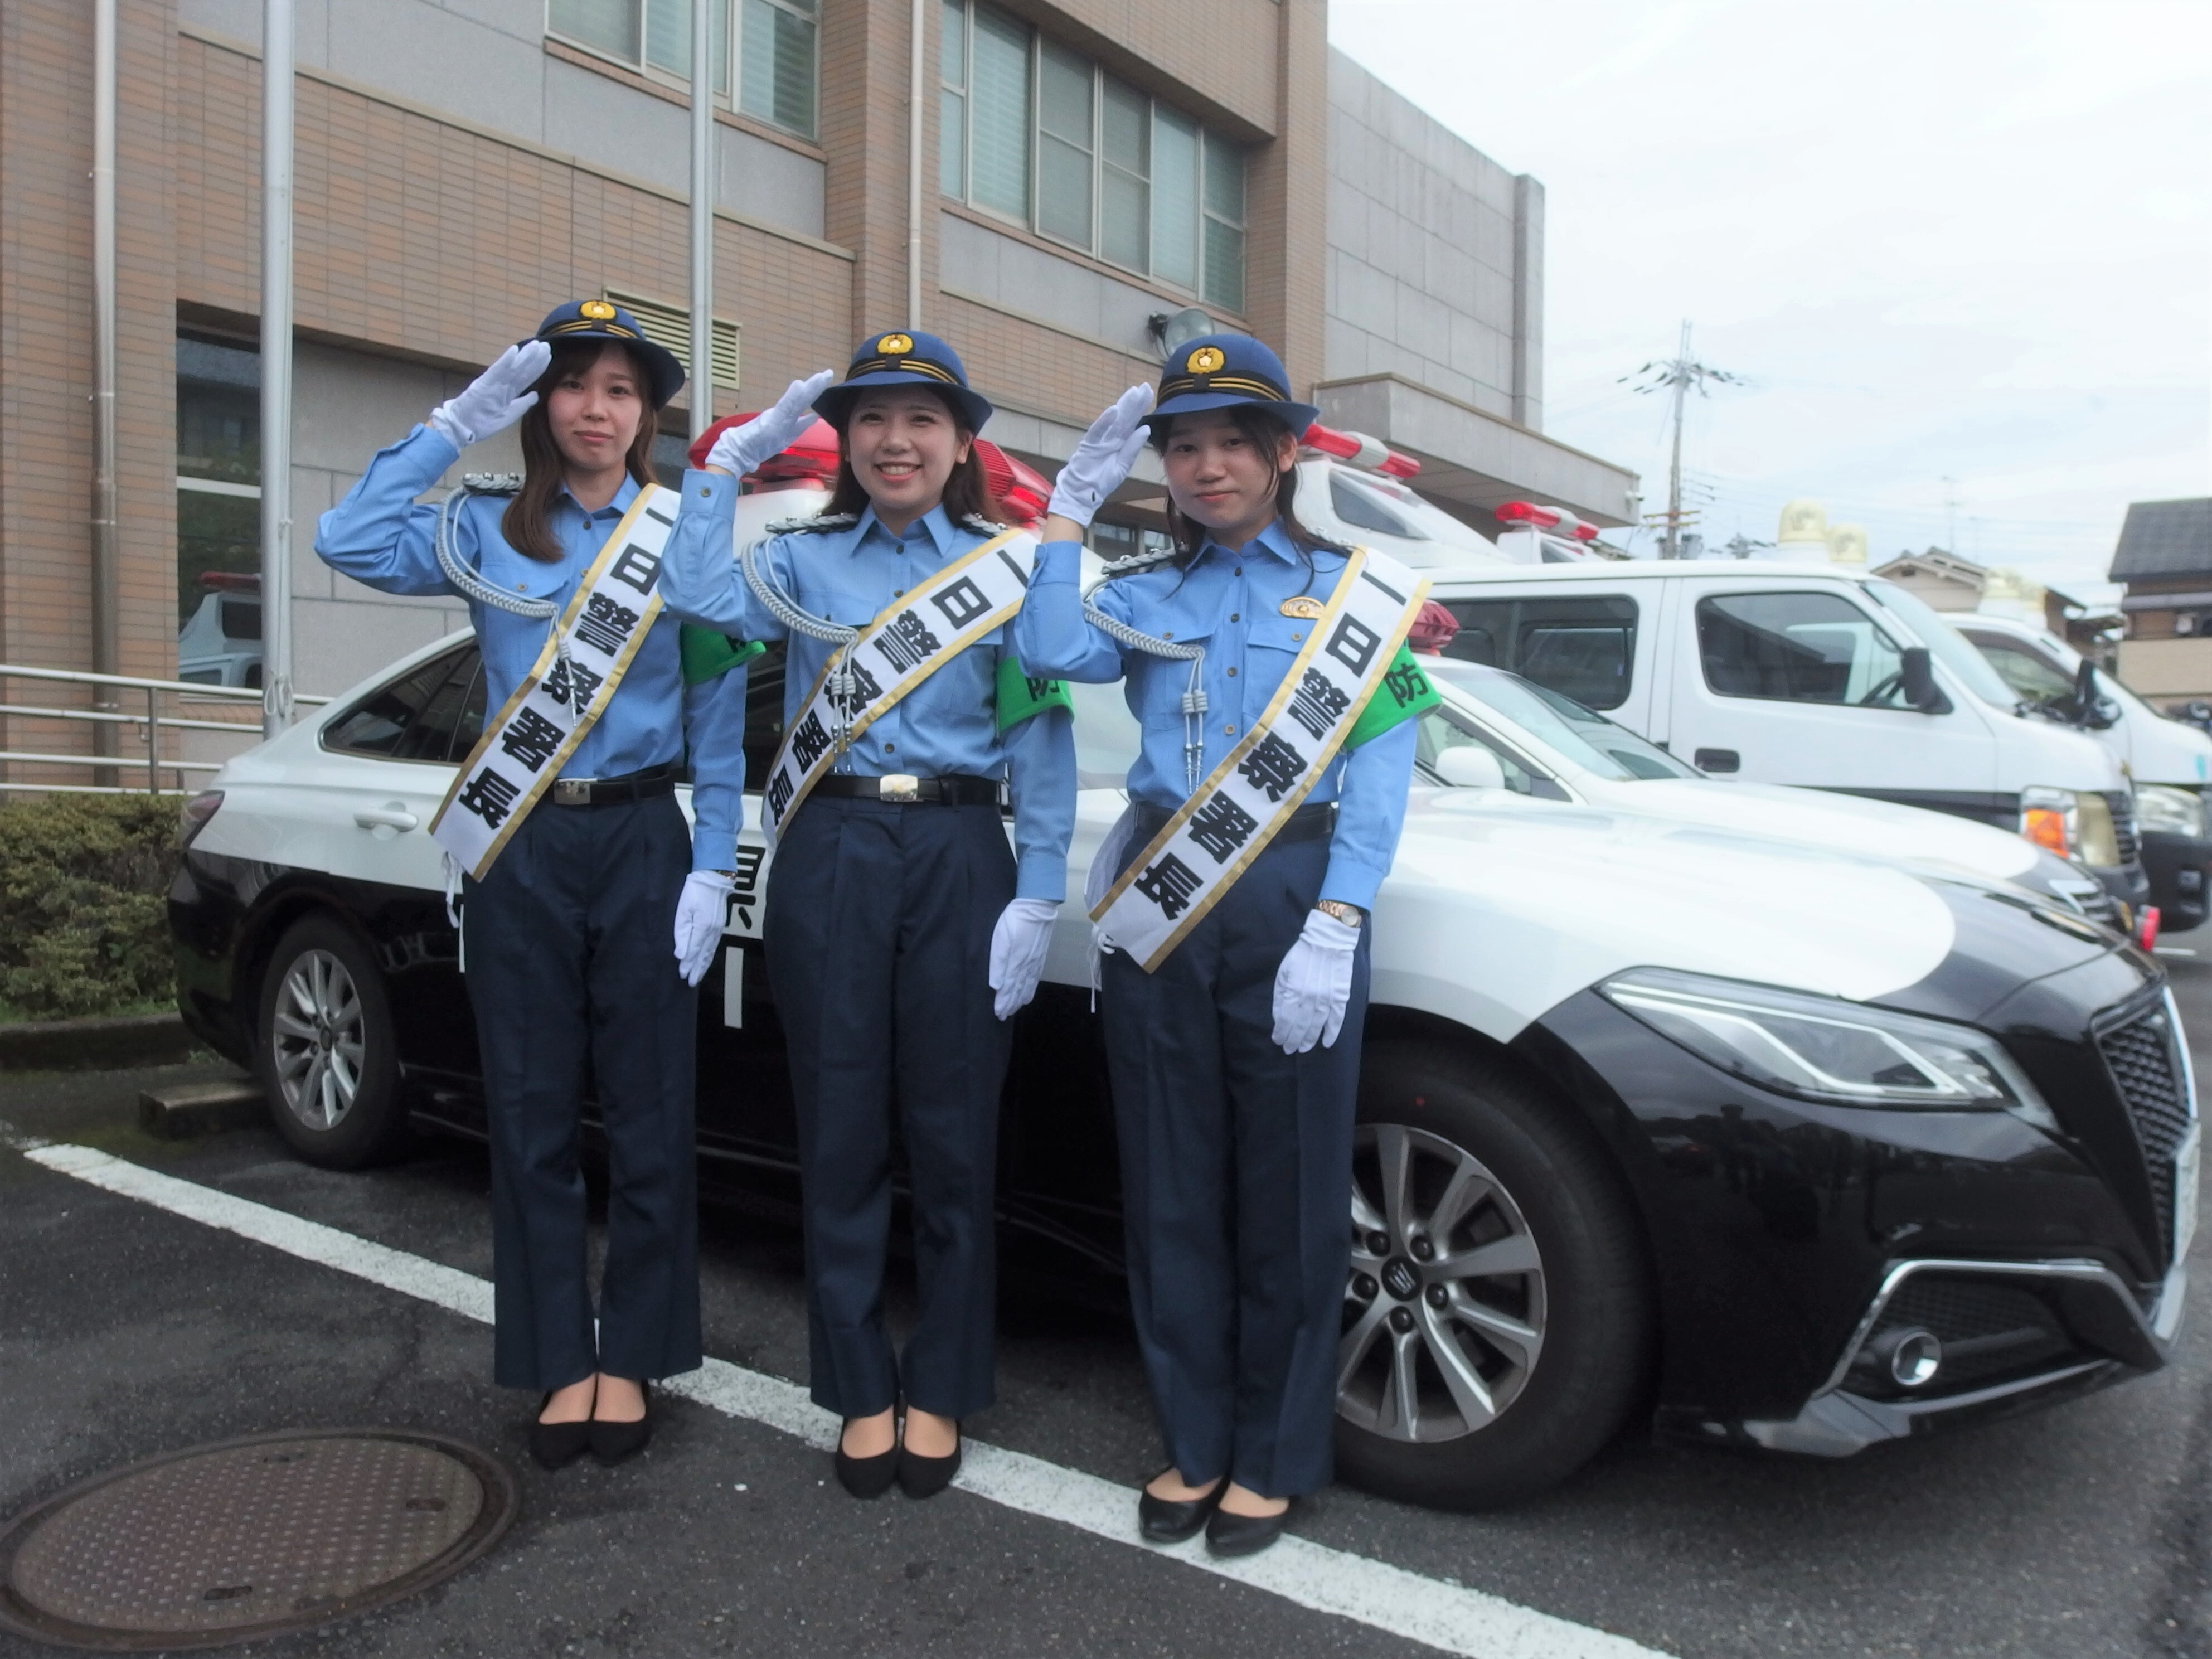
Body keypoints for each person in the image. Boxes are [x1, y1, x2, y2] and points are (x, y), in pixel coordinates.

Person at [1015, 334, 1435, 1557]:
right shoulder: (1142, 592)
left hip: (1297, 885)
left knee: (1294, 1188)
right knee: (1172, 1179)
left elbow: (1384, 758)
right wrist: (1061, 524)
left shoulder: (1360, 594)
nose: (1206, 468)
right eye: (1184, 447)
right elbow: (1048, 656)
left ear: (1283, 454)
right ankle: (1194, 1440)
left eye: (1231, 445)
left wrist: (1341, 914)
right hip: (1163, 886)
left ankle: (1278, 1452)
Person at [316, 300, 752, 1469]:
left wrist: (715, 859)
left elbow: (717, 713)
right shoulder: (479, 530)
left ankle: (638, 1355)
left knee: (653, 1103)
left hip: (643, 839)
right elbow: (346, 539)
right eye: (574, 386)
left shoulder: (679, 537)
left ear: (646, 413)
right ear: (538, 407)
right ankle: (561, 1358)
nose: (597, 409)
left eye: (621, 390)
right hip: (519, 840)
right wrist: (446, 426)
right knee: (531, 1105)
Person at [660, 331, 1078, 1500]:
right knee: (838, 1127)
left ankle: (941, 1384)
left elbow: (1037, 729)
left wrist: (1038, 884)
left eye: (923, 420)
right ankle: (855, 1386)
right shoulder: (798, 561)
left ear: (960, 444)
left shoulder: (1004, 567)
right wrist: (720, 474)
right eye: (873, 420)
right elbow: (692, 596)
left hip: (958, 846)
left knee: (954, 1137)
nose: (897, 441)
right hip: (830, 844)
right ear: (845, 440)